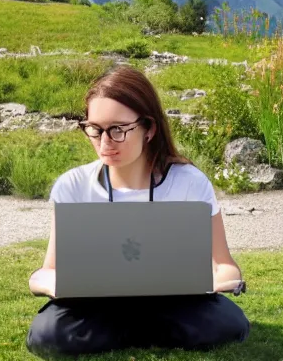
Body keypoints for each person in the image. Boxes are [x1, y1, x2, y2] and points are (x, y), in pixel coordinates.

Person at [26, 65, 250, 357]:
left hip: (174, 304)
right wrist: (57, 285)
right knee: (46, 333)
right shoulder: (73, 185)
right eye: (95, 129)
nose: (104, 142)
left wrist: (215, 282)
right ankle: (147, 332)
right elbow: (46, 272)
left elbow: (225, 266)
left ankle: (119, 333)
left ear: (149, 128)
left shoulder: (190, 183)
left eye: (118, 130)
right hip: (97, 306)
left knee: (228, 323)